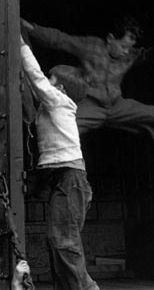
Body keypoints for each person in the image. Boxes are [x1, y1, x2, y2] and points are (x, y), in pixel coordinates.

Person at [21, 16, 154, 175]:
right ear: (110, 38)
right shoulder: (92, 46)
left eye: (129, 48)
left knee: (152, 113)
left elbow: (148, 55)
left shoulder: (130, 55)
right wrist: (32, 29)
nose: (127, 52)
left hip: (116, 106)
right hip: (90, 105)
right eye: (123, 46)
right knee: (64, 126)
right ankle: (42, 171)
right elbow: (61, 40)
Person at [20, 35, 99, 290]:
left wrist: (21, 46)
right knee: (60, 241)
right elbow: (33, 86)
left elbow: (36, 78)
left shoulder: (58, 102)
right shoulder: (51, 106)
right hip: (66, 179)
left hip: (70, 178)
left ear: (61, 89)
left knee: (63, 241)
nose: (47, 84)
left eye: (52, 81)